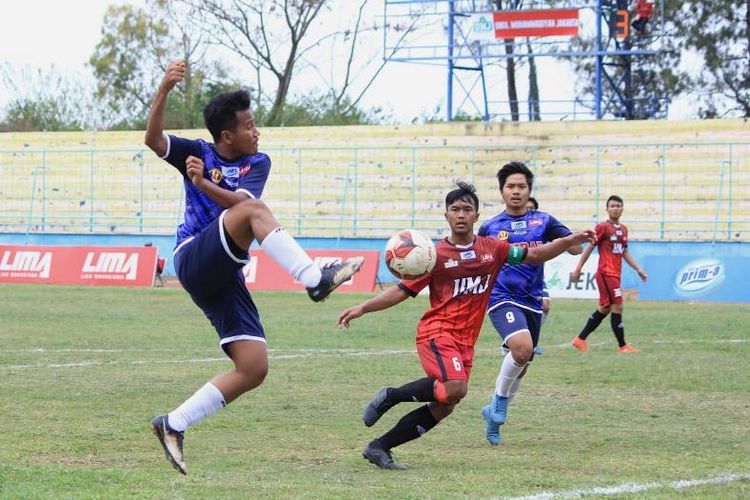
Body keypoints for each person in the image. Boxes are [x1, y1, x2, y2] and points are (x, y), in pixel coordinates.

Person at [144, 60, 363, 475]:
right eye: (249, 125)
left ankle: (173, 424)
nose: (256, 131)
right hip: (193, 256)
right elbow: (153, 139)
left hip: (222, 273)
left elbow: (239, 203)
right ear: (227, 135)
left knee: (253, 366)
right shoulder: (197, 151)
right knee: (254, 212)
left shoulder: (257, 162)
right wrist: (165, 89)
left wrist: (204, 184)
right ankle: (314, 278)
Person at [337, 181, 594, 470]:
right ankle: (392, 395)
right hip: (437, 333)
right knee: (456, 388)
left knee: (446, 403)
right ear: (446, 216)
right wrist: (363, 307)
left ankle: (379, 447)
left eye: (467, 209)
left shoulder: (493, 249)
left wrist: (569, 240)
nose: (461, 214)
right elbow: (402, 290)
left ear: (476, 216)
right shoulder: (433, 256)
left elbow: (534, 255)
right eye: (455, 209)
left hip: (465, 341)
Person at [478, 162, 583, 446]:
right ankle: (499, 403)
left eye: (521, 186)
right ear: (501, 191)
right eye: (510, 186)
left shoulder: (544, 221)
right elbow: (476, 261)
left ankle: (493, 414)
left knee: (522, 364)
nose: (516, 191)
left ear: (529, 190)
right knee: (522, 349)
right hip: (501, 297)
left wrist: (573, 240)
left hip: (533, 300)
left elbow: (574, 248)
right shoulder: (489, 226)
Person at [570, 195, 647, 353]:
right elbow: (590, 247)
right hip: (606, 273)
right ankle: (623, 346)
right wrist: (578, 268)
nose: (615, 208)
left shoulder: (624, 229)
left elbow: (624, 251)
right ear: (607, 209)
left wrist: (638, 269)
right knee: (617, 306)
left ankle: (580, 339)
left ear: (622, 209)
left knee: (605, 308)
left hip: (615, 274)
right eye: (612, 206)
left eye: (618, 205)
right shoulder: (602, 227)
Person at [526, 197, 548, 355]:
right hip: (515, 281)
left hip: (536, 278)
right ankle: (517, 339)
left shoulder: (541, 228)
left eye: (532, 208)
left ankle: (533, 340)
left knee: (546, 306)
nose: (529, 211)